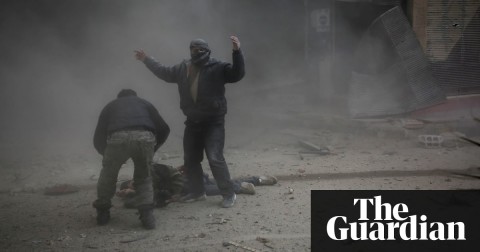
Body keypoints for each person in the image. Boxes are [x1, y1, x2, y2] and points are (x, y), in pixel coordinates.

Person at [134, 36, 245, 208]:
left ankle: (228, 193)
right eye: (194, 49)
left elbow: (237, 74)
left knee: (215, 158)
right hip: (193, 122)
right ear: (190, 51)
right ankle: (197, 192)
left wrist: (237, 52)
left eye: (201, 50)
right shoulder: (183, 68)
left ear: (207, 51)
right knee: (190, 159)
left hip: (213, 121)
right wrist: (147, 60)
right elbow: (163, 72)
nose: (197, 52)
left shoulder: (218, 67)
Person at [92, 89, 170, 230]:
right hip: (144, 138)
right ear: (135, 95)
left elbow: (98, 137)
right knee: (144, 176)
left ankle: (103, 213)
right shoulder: (145, 103)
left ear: (119, 97)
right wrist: (153, 148)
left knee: (108, 175)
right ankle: (147, 216)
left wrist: (106, 156)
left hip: (117, 138)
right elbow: (164, 129)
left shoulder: (111, 105)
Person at [116, 163, 278, 208]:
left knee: (212, 188)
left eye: (127, 186)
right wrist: (129, 193)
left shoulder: (146, 178)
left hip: (190, 183)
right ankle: (258, 180)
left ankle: (240, 187)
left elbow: (168, 175)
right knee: (219, 182)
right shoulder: (143, 192)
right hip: (191, 178)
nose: (129, 188)